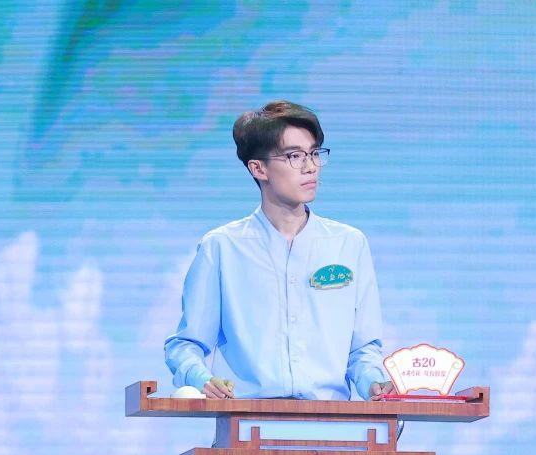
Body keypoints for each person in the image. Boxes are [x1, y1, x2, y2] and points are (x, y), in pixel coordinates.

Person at [164, 100, 395, 401]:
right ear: (258, 168)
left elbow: (363, 348)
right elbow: (186, 343)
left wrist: (373, 382)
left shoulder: (348, 244)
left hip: (332, 421)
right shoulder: (221, 248)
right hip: (246, 420)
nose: (310, 167)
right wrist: (203, 379)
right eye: (294, 156)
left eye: (314, 153)